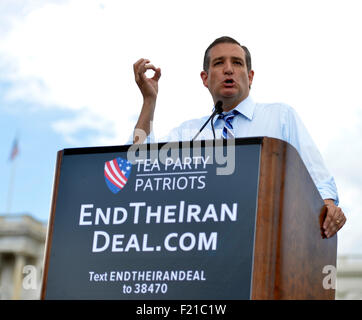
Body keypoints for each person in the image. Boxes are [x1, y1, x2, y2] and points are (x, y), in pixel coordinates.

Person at [132, 36, 346, 238]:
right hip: (204, 248)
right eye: (218, 63)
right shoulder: (188, 133)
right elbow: (140, 164)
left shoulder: (281, 117)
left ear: (250, 76)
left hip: (268, 241)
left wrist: (327, 207)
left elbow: (320, 180)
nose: (228, 70)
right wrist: (149, 101)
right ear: (205, 78)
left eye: (237, 63)